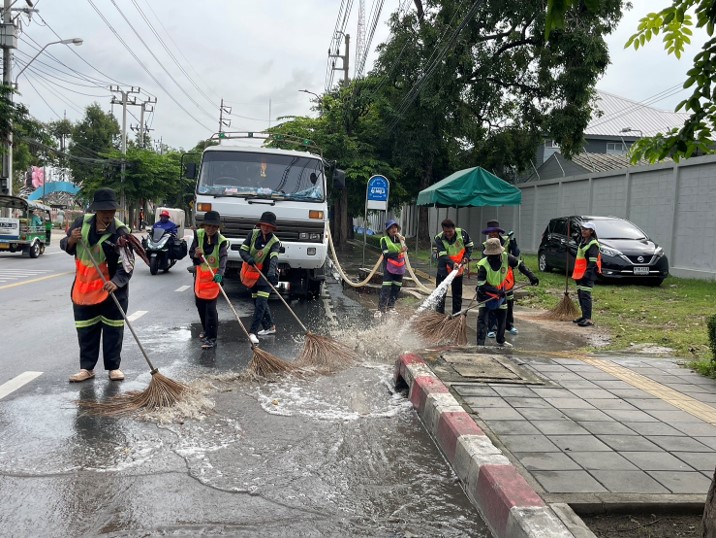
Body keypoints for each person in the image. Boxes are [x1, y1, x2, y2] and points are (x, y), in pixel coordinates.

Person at [60, 188, 133, 382]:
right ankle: (87, 368)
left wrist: (116, 282)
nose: (108, 215)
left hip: (112, 292)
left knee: (113, 330)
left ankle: (113, 368)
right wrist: (71, 240)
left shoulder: (121, 232)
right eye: (104, 212)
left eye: (111, 211)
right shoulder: (81, 223)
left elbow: (127, 264)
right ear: (96, 211)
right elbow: (65, 244)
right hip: (84, 291)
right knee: (86, 330)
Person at [476, 238, 539, 347]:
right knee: (483, 320)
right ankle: (480, 344)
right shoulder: (483, 265)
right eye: (491, 255)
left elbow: (520, 265)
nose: (494, 257)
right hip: (486, 295)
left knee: (502, 319)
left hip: (501, 294)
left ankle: (500, 340)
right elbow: (482, 285)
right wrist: (496, 291)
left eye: (496, 255)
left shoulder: (507, 257)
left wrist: (531, 276)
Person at [239, 211, 281, 344]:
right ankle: (269, 327)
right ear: (260, 225)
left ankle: (252, 332)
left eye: (269, 226)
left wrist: (271, 273)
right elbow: (242, 250)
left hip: (267, 275)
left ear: (273, 228)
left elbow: (274, 258)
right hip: (252, 274)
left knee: (261, 305)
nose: (266, 228)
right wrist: (248, 258)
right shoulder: (252, 234)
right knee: (257, 302)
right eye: (264, 225)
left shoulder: (275, 242)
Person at [189, 210, 228, 349]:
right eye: (208, 226)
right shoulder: (198, 235)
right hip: (201, 277)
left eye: (214, 227)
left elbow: (223, 258)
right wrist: (196, 254)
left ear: (218, 228)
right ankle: (206, 330)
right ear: (204, 226)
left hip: (214, 278)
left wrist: (221, 273)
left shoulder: (222, 242)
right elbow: (191, 254)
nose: (210, 229)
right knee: (200, 305)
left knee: (211, 309)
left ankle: (212, 338)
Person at [482, 219, 520, 337]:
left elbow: (516, 253)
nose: (492, 234)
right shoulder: (487, 245)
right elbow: (485, 259)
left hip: (507, 278)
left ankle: (509, 325)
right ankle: (492, 328)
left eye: (494, 232)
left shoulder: (507, 241)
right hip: (493, 279)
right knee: (493, 302)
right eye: (490, 232)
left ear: (498, 232)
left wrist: (513, 243)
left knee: (509, 302)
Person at [434, 218, 474, 315]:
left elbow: (470, 246)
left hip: (458, 271)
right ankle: (439, 317)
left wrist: (466, 257)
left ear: (454, 228)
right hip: (444, 270)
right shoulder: (439, 238)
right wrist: (452, 264)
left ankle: (456, 316)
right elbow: (443, 255)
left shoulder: (462, 234)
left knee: (457, 295)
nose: (447, 234)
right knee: (440, 295)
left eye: (450, 231)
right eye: (445, 231)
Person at [376, 219, 408, 318]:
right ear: (388, 230)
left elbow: (406, 253)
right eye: (391, 228)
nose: (394, 229)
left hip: (399, 268)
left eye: (395, 227)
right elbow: (386, 254)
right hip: (389, 268)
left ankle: (391, 307)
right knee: (386, 288)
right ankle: (380, 309)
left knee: (396, 288)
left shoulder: (401, 239)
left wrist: (403, 242)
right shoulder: (384, 240)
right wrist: (399, 251)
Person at [572, 222, 601, 327]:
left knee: (585, 296)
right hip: (579, 274)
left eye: (586, 229)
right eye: (582, 228)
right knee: (581, 295)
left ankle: (588, 319)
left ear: (591, 231)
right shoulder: (583, 241)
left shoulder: (593, 243)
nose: (583, 230)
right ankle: (584, 316)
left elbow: (593, 261)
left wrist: (587, 273)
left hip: (588, 274)